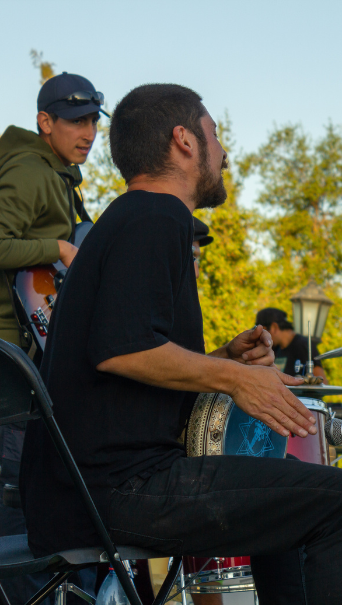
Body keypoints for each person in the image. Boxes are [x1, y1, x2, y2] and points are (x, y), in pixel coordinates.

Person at [20, 83, 342, 605]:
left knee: (290, 495)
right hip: (114, 489)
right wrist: (236, 379)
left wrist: (222, 360)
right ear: (184, 140)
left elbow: (127, 358)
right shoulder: (155, 216)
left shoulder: (131, 219)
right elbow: (120, 349)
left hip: (91, 487)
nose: (224, 152)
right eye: (215, 134)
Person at [0, 71, 106, 605]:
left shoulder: (57, 175)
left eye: (92, 120)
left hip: (24, 361)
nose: (87, 131)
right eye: (73, 121)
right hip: (9, 369)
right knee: (25, 505)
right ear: (45, 123)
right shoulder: (30, 170)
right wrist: (58, 250)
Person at [256, 307, 328, 382]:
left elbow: (322, 382)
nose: (261, 336)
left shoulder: (303, 345)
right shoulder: (275, 348)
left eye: (263, 332)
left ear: (274, 327)